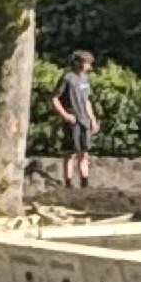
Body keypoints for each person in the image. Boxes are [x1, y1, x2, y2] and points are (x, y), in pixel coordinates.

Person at [49, 49, 101, 190]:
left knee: (84, 152)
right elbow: (54, 98)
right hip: (72, 121)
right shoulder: (67, 78)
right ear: (78, 62)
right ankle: (69, 184)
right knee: (71, 153)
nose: (89, 66)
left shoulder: (85, 79)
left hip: (85, 121)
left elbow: (86, 101)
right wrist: (65, 115)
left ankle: (85, 183)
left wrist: (92, 119)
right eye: (87, 62)